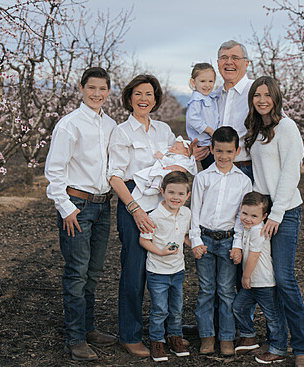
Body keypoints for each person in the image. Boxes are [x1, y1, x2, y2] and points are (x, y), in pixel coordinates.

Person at [44, 67, 117, 361]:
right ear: (81, 88)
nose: (97, 94)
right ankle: (74, 339)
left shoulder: (110, 124)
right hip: (78, 206)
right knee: (76, 273)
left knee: (94, 272)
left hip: (103, 206)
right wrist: (66, 209)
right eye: (92, 88)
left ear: (109, 92)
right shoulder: (69, 125)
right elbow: (54, 171)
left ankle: (88, 328)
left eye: (102, 89)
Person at [244, 76, 304, 366]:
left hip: (284, 211)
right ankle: (277, 345)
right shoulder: (257, 130)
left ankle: (303, 349)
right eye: (256, 95)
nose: (261, 100)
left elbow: (290, 173)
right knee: (266, 282)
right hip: (262, 212)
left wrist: (277, 213)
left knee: (284, 279)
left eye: (266, 95)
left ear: (275, 97)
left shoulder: (287, 127)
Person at [107, 74, 176, 357]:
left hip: (162, 204)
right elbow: (114, 176)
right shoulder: (122, 132)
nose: (144, 99)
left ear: (156, 99)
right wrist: (134, 210)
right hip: (133, 201)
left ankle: (169, 331)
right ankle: (130, 334)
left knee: (168, 267)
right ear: (129, 98)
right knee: (134, 271)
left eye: (149, 94)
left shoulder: (164, 130)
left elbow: (176, 164)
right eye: (138, 94)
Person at [190, 126, 252, 356]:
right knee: (206, 289)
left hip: (227, 242)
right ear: (212, 150)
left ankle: (226, 336)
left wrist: (237, 245)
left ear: (236, 151)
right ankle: (207, 335)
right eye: (218, 151)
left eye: (228, 151)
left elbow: (241, 217)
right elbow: (194, 210)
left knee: (226, 290)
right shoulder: (202, 177)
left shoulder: (243, 182)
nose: (223, 156)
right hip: (205, 239)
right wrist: (195, 239)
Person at [139, 171, 192, 362]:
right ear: (162, 191)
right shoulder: (154, 216)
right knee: (160, 308)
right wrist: (160, 252)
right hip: (157, 271)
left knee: (176, 308)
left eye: (180, 194)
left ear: (187, 195)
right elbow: (144, 240)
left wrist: (194, 244)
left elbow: (184, 235)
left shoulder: (186, 213)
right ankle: (157, 342)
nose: (175, 198)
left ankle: (175, 338)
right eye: (171, 193)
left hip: (177, 270)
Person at [232, 192, 284, 364]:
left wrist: (245, 277)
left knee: (272, 317)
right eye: (245, 213)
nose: (248, 218)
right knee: (239, 307)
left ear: (264, 216)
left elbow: (254, 256)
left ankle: (278, 349)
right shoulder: (247, 228)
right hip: (252, 283)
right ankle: (249, 336)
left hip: (264, 282)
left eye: (254, 216)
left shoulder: (258, 230)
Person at [194, 40, 253, 181]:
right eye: (223, 58)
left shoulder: (257, 92)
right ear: (218, 63)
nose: (228, 62)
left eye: (235, 58)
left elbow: (280, 127)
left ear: (246, 63)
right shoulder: (213, 97)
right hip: (213, 169)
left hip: (246, 170)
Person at [132, 136, 197, 212]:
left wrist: (163, 157)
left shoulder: (182, 158)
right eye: (173, 147)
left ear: (185, 154)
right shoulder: (173, 154)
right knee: (156, 173)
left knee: (160, 175)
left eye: (176, 149)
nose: (172, 149)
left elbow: (173, 162)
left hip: (170, 173)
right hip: (165, 170)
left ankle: (155, 187)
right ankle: (150, 182)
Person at [186, 62, 218, 169]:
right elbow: (192, 119)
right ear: (193, 82)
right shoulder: (196, 100)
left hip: (211, 143)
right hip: (204, 145)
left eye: (210, 81)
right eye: (203, 81)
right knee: (211, 171)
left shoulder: (209, 97)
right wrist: (210, 130)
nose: (207, 85)